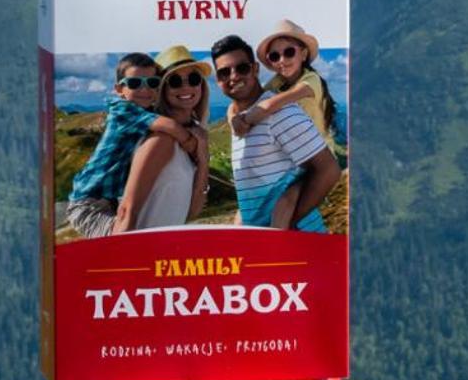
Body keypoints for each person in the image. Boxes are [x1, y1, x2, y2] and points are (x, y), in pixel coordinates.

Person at [60, 52, 207, 239]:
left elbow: (190, 210)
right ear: (119, 89)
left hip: (108, 201)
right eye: (135, 83)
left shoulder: (147, 115)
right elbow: (169, 126)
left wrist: (202, 157)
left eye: (152, 83)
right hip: (89, 203)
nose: (144, 90)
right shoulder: (125, 110)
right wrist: (192, 142)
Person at [210, 34, 340, 232]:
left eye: (242, 68)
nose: (233, 76)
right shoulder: (241, 121)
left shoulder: (280, 112)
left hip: (297, 244)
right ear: (218, 80)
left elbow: (329, 170)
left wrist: (284, 227)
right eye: (224, 73)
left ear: (255, 69)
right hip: (269, 249)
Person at [113, 45, 212, 233]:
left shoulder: (193, 138)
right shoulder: (161, 140)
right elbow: (127, 212)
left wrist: (203, 158)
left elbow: (191, 212)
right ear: (161, 88)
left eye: (193, 78)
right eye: (175, 81)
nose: (186, 87)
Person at [232, 19, 340, 147]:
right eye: (274, 56)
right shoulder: (278, 81)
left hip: (320, 154)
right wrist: (233, 118)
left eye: (289, 52)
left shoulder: (311, 80)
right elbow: (244, 103)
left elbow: (270, 105)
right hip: (296, 153)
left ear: (303, 54)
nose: (282, 60)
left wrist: (245, 120)